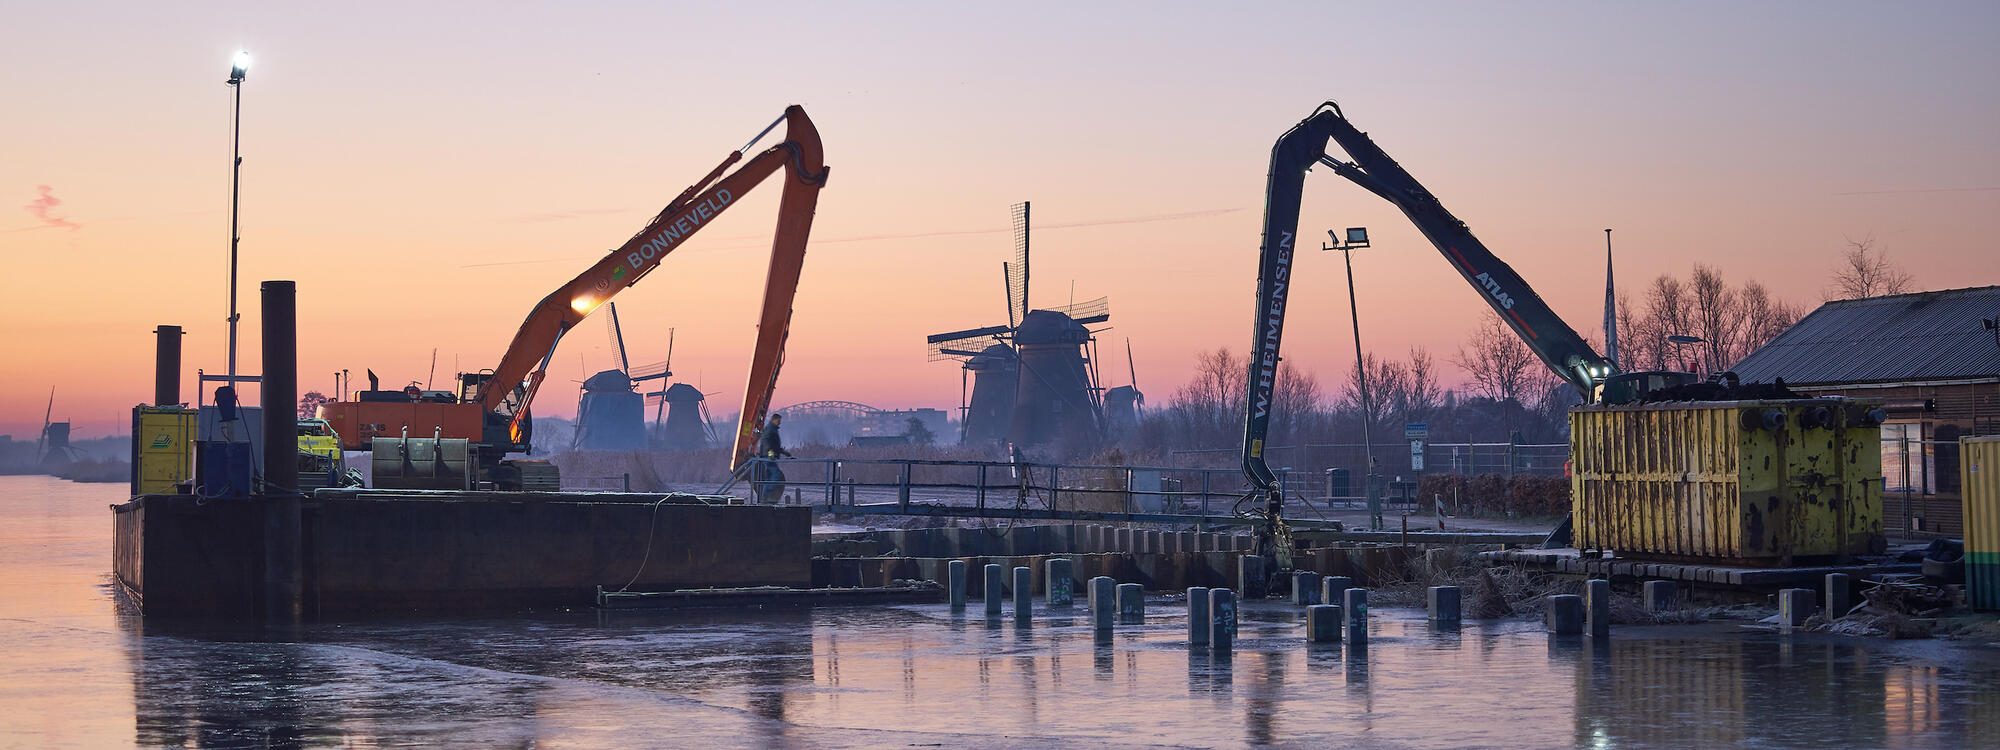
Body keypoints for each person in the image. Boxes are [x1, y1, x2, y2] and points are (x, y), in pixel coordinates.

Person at [753, 413, 793, 504]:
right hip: (769, 457)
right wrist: (770, 454)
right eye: (778, 420)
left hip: (767, 456)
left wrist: (784, 453)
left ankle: (764, 498)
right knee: (775, 475)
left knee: (769, 478)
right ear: (774, 419)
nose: (779, 422)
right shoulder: (770, 429)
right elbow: (768, 443)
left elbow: (774, 445)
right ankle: (768, 497)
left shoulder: (771, 429)